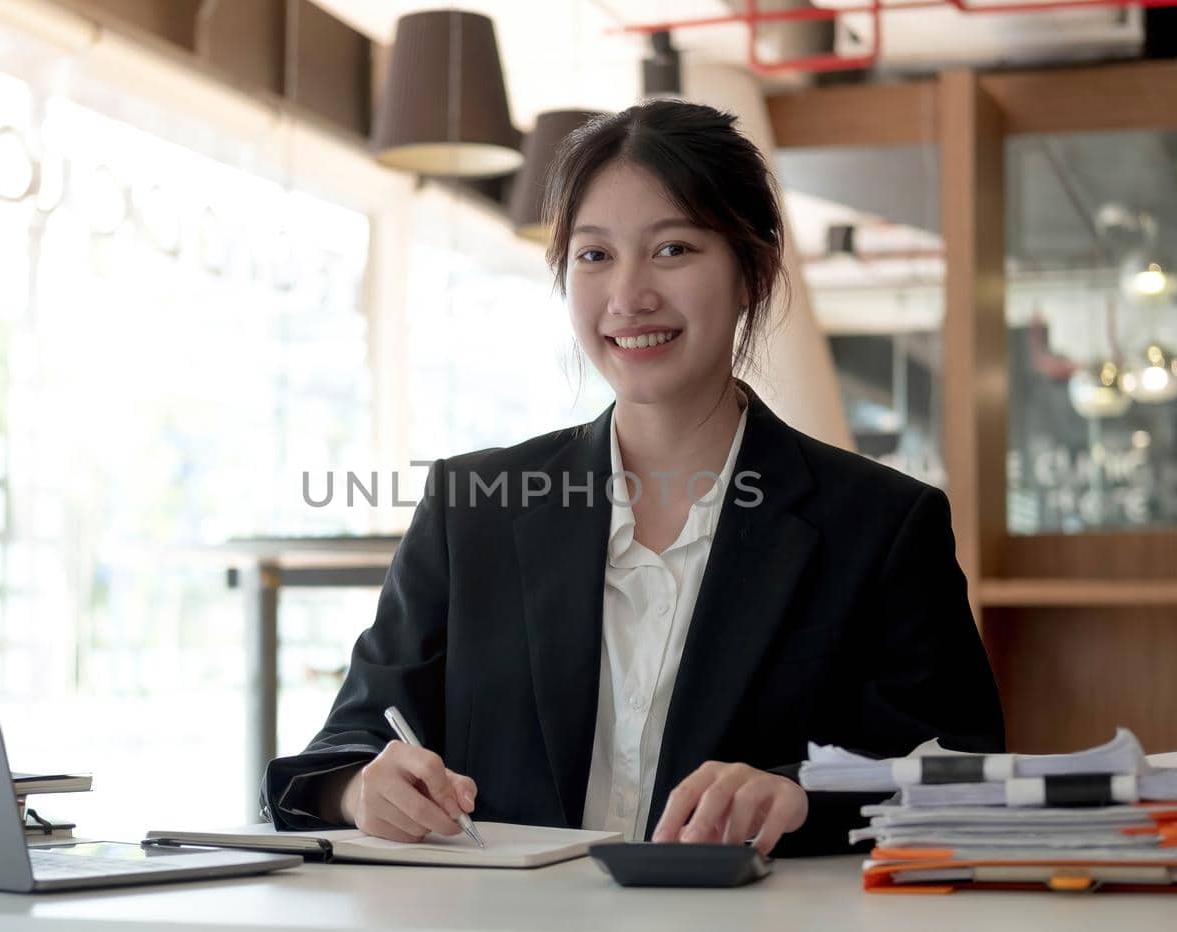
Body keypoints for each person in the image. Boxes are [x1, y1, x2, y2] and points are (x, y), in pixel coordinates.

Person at [263, 99, 1003, 857]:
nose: (629, 295)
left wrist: (798, 794)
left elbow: (961, 772)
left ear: (753, 271)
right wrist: (357, 789)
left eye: (674, 249)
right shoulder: (470, 509)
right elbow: (351, 739)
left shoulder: (879, 525)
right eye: (594, 255)